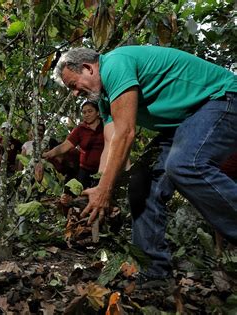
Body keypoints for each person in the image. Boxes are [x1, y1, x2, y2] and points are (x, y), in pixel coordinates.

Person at [54, 46, 236, 285]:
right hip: (183, 123)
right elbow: (112, 143)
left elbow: (126, 134)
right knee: (141, 182)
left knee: (185, 164)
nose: (75, 94)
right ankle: (154, 272)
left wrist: (106, 191)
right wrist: (101, 188)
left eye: (73, 85)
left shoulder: (115, 64)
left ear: (88, 68)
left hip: (221, 99)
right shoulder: (105, 99)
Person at [43, 101, 104, 189]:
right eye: (84, 112)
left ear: (97, 112)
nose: (86, 114)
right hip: (85, 170)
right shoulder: (80, 129)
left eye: (90, 111)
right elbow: (65, 146)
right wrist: (47, 154)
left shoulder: (106, 126)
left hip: (104, 169)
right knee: (82, 196)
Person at [0, 122, 22, 188]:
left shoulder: (16, 142)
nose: (5, 131)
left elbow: (22, 155)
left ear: (11, 130)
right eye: (3, 129)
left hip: (10, 171)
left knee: (9, 191)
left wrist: (16, 166)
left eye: (7, 129)